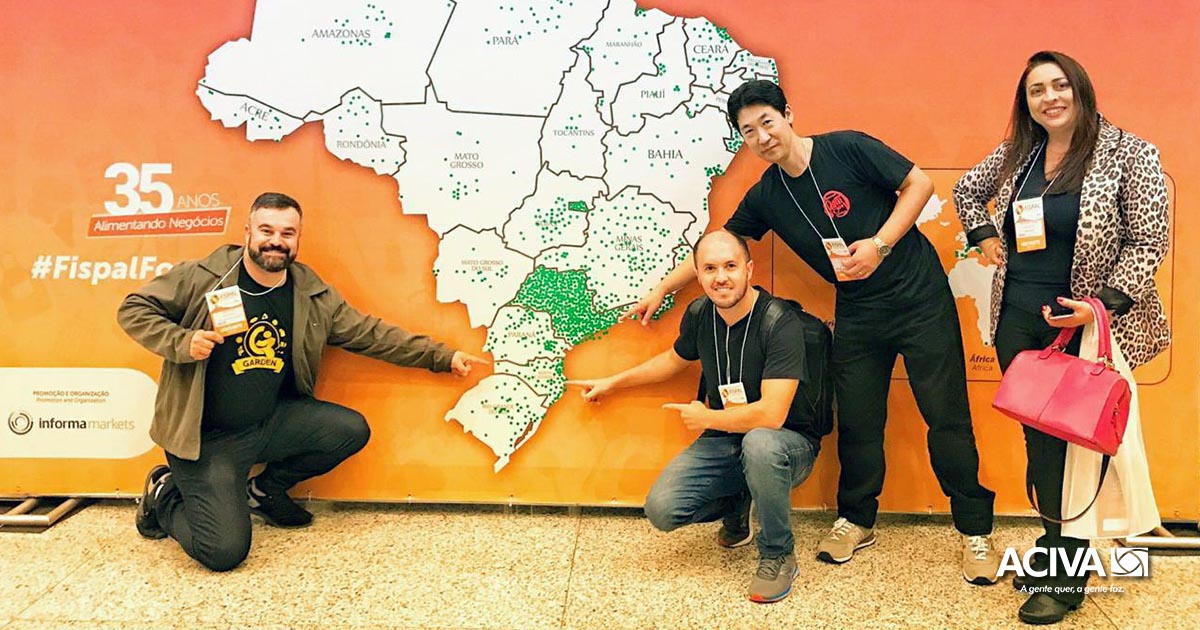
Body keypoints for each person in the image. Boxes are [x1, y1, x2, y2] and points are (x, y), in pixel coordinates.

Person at [626, 79, 1000, 584]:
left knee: (946, 415)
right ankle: (857, 520)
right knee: (859, 421)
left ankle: (975, 530)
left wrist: (880, 245)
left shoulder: (846, 147)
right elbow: (719, 248)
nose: (762, 136)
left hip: (919, 298)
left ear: (788, 115)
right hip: (859, 310)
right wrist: (660, 289)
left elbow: (920, 185)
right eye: (748, 131)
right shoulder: (768, 194)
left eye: (767, 122)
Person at [118, 192, 486, 572]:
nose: (276, 241)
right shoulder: (205, 277)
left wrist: (441, 357)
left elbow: (371, 334)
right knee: (224, 552)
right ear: (247, 232)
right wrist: (182, 342)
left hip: (268, 424)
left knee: (348, 430)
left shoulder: (310, 293)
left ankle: (263, 491)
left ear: (297, 239)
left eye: (287, 233)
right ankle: (164, 495)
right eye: (266, 230)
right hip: (207, 441)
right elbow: (134, 309)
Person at [954, 50, 1169, 624]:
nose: (1049, 98)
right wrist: (982, 234)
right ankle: (1056, 548)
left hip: (1086, 326)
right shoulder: (1019, 152)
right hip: (1019, 323)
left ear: (1080, 89)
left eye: (1059, 86)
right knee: (1042, 446)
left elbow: (1149, 241)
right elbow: (968, 192)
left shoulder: (1129, 153)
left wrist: (1099, 306)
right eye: (1036, 90)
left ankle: (1066, 574)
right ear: (1026, 102)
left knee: (1077, 451)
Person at [569, 229, 821, 603]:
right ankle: (740, 499)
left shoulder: (779, 322)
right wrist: (613, 382)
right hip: (726, 439)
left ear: (749, 269)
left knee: (760, 443)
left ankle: (778, 554)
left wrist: (707, 419)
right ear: (699, 275)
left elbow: (771, 415)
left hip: (786, 445)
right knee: (662, 510)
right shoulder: (701, 313)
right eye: (710, 268)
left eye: (731, 266)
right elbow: (673, 360)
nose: (721, 277)